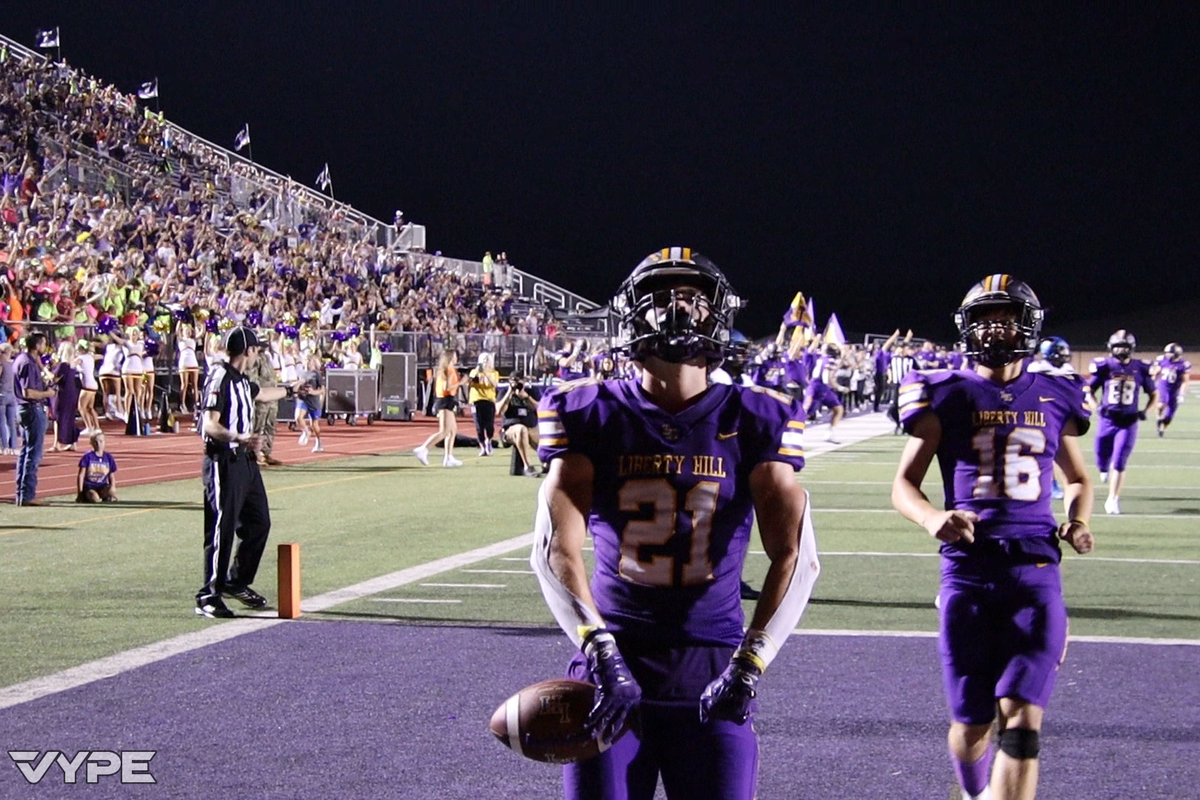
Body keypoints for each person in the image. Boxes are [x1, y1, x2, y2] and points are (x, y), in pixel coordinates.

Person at [530, 248, 820, 799]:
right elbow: (554, 551)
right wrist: (599, 649)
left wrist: (751, 663)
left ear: (717, 314)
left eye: (691, 298)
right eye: (660, 297)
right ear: (631, 313)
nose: (677, 310)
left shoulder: (756, 416)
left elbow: (797, 556)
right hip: (613, 660)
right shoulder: (587, 409)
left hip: (713, 665)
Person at [891, 275, 1094, 800]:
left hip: (1036, 568)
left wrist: (1078, 519)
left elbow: (1077, 479)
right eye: (984, 319)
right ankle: (972, 791)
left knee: (1023, 724)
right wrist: (932, 518)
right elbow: (903, 485)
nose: (995, 329)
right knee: (973, 727)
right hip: (969, 571)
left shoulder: (1056, 392)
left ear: (1028, 324)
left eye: (1005, 317)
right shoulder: (946, 392)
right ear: (966, 327)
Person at [195, 326, 296, 618]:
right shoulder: (220, 376)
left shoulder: (241, 380)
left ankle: (236, 581)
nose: (258, 355)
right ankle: (208, 595)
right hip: (223, 459)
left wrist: (292, 389)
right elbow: (209, 425)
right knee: (221, 528)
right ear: (248, 351)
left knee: (259, 522)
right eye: (257, 350)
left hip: (245, 461)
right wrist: (240, 438)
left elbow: (263, 394)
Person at [1087, 330, 1157, 516]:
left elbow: (1154, 394)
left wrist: (1145, 411)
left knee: (1119, 461)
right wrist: (1096, 407)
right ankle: (1103, 468)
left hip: (1128, 422)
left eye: (1123, 347)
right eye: (1117, 346)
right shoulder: (1105, 366)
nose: (1120, 350)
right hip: (1107, 419)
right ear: (1110, 347)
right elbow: (1088, 390)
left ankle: (1113, 499)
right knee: (1101, 455)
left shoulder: (1140, 368)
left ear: (1131, 348)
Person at [1028, 337, 1076, 501]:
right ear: (1050, 352)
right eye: (1060, 350)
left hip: (1061, 416)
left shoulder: (1067, 368)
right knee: (1048, 453)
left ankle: (1065, 483)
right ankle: (1052, 485)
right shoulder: (1038, 368)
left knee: (1064, 455)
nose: (1064, 354)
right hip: (1042, 414)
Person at [13, 332, 57, 506]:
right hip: (31, 408)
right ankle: (27, 494)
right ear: (37, 345)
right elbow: (28, 392)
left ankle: (22, 493)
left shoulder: (22, 359)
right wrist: (47, 393)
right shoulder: (28, 363)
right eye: (43, 344)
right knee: (33, 453)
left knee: (26, 452)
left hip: (23, 409)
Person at [413, 349, 462, 468]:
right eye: (454, 356)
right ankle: (424, 449)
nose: (456, 358)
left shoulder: (446, 370)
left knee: (452, 430)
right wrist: (461, 382)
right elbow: (447, 387)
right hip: (445, 400)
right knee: (444, 430)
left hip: (446, 400)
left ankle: (448, 457)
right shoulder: (448, 370)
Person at [246, 339, 283, 465]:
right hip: (262, 396)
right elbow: (253, 378)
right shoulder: (255, 360)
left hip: (272, 396)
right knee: (258, 425)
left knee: (270, 426)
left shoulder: (266, 358)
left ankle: (266, 452)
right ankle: (255, 454)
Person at [496, 376, 540, 476]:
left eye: (519, 383)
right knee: (521, 429)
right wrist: (509, 393)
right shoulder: (504, 392)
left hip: (531, 428)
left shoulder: (531, 392)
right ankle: (528, 466)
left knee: (547, 439)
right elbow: (499, 411)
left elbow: (540, 408)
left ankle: (548, 464)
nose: (517, 386)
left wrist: (527, 397)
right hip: (510, 430)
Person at [804, 342, 846, 442]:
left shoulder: (820, 358)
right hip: (819, 388)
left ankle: (829, 434)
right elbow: (829, 379)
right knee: (806, 414)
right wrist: (840, 388)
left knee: (838, 409)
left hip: (819, 387)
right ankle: (790, 433)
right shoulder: (830, 361)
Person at [1152, 343, 1191, 438]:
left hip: (1175, 390)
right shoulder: (1162, 360)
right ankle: (1158, 418)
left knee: (1169, 415)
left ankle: (1162, 429)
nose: (1167, 355)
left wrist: (1182, 394)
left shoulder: (1183, 364)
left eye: (1170, 353)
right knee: (1161, 405)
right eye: (1167, 353)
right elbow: (1155, 372)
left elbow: (1185, 381)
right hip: (1163, 386)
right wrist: (1152, 379)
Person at [49, 340, 81, 452]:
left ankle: (56, 443)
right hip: (71, 393)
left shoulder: (63, 365)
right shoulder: (72, 365)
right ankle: (72, 442)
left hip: (62, 394)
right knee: (70, 417)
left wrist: (45, 370)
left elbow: (54, 379)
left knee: (57, 418)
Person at [468, 353, 500, 456]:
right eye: (483, 360)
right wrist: (478, 370)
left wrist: (486, 373)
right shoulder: (474, 371)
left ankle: (489, 440)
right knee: (479, 425)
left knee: (489, 424)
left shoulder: (494, 373)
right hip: (476, 400)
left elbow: (494, 384)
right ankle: (482, 446)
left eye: (487, 360)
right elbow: (471, 381)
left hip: (489, 400)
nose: (485, 362)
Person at [295, 352, 326, 453]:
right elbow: (298, 385)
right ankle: (306, 431)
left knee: (314, 423)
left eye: (310, 362)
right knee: (298, 417)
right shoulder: (301, 373)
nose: (308, 363)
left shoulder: (316, 374)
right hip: (303, 399)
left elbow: (322, 390)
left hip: (313, 401)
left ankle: (318, 442)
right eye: (307, 361)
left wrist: (313, 392)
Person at [76, 430, 118, 503]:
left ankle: (106, 496)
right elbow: (81, 475)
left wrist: (112, 489)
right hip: (90, 486)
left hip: (102, 486)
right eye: (96, 442)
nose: (99, 444)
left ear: (105, 442)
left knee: (112, 490)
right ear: (92, 443)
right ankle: (88, 497)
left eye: (101, 441)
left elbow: (111, 476)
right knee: (94, 498)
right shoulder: (87, 457)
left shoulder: (108, 457)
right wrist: (80, 493)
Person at [76, 340, 101, 437]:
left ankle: (89, 427)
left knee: (81, 407)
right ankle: (97, 427)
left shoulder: (80, 358)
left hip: (87, 385)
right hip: (94, 384)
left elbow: (72, 364)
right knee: (90, 408)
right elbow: (100, 356)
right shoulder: (90, 357)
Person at [1, 342, 19, 455]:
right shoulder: (13, 365)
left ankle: (4, 446)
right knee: (11, 422)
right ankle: (13, 446)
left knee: (2, 422)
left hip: (2, 395)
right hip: (12, 395)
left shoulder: (1, 365)